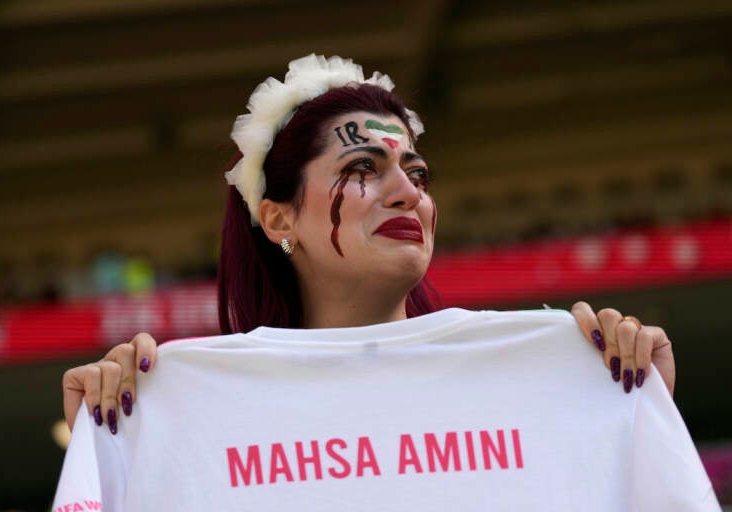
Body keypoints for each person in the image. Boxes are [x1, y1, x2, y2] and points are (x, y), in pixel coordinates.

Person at [55, 55, 716, 510]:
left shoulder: (571, 363)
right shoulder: (169, 400)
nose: (409, 194)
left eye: (419, 175)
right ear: (277, 217)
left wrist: (629, 413)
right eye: (364, 168)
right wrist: (119, 439)